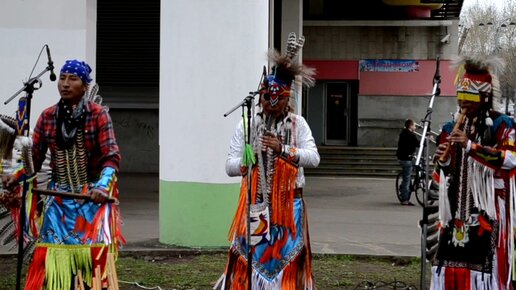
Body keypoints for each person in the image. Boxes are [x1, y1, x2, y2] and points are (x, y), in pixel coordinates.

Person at [1, 59, 124, 289]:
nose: (65, 84)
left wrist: (102, 187)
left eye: (73, 79)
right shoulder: (48, 116)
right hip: (58, 202)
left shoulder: (98, 115)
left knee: (91, 267)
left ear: (85, 86)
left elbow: (111, 156)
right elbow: (34, 159)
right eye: (62, 78)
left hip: (90, 201)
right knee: (54, 264)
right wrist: (15, 177)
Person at [214, 33, 320, 289]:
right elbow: (229, 165)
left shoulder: (298, 125)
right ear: (260, 95)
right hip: (254, 204)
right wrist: (245, 163)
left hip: (288, 207)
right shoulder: (248, 123)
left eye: (278, 99)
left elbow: (314, 158)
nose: (271, 105)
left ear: (288, 99)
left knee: (286, 265)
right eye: (266, 99)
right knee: (249, 261)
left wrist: (282, 149)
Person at [429, 55, 516, 289]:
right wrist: (443, 164)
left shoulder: (502, 126)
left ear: (485, 97)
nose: (463, 103)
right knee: (449, 262)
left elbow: (510, 159)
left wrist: (471, 146)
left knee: (487, 269)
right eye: (461, 96)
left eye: (470, 97)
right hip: (456, 210)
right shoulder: (449, 129)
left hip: (489, 211)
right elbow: (441, 177)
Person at [396, 119, 419, 206]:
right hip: (406, 159)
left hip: (402, 158)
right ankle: (405, 199)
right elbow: (418, 144)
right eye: (414, 125)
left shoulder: (403, 133)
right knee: (407, 179)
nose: (415, 127)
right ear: (410, 126)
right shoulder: (411, 135)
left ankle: (405, 189)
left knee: (407, 176)